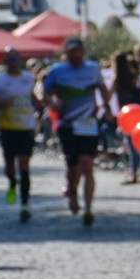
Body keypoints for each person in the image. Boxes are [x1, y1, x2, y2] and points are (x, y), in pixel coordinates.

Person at [42, 37, 111, 226]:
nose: (75, 54)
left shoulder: (93, 68)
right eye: (71, 51)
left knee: (87, 163)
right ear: (66, 52)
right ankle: (72, 191)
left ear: (83, 51)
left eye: (78, 50)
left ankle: (88, 208)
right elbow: (45, 93)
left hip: (88, 122)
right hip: (67, 124)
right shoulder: (57, 71)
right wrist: (52, 102)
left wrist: (106, 106)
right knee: (73, 167)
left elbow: (102, 87)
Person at [0, 49, 37, 221]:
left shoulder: (29, 78)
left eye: (16, 59)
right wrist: (2, 103)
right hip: (7, 128)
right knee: (10, 167)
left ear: (20, 61)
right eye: (10, 59)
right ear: (5, 62)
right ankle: (12, 183)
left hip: (26, 128)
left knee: (24, 165)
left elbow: (32, 97)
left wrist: (40, 102)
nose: (13, 62)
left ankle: (25, 204)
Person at [112, 50, 140, 183]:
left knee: (131, 145)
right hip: (138, 112)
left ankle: (134, 173)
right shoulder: (134, 76)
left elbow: (109, 96)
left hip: (126, 115)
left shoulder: (117, 80)